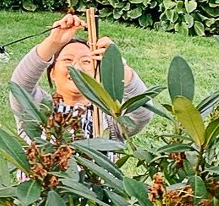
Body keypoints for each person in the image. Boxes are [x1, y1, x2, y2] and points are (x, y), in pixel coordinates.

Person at [9, 11, 152, 140]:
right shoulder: (37, 109)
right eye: (68, 60)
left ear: (97, 73)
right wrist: (53, 43)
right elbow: (20, 86)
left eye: (86, 61)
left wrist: (117, 64)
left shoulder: (109, 120)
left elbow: (142, 112)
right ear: (52, 72)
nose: (77, 68)